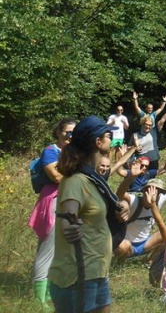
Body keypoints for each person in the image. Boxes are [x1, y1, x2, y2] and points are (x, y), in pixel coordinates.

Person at [48, 116, 130, 313]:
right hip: (78, 276)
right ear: (97, 142)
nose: (111, 138)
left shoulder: (93, 179)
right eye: (108, 135)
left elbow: (94, 211)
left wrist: (120, 206)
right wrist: (70, 228)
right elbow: (68, 218)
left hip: (97, 271)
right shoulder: (75, 181)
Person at [29, 118, 75, 308]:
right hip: (53, 202)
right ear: (58, 132)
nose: (70, 137)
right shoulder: (50, 151)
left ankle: (48, 291)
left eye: (74, 133)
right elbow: (55, 176)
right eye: (67, 132)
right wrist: (76, 175)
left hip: (67, 201)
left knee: (58, 250)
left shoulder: (72, 152)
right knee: (47, 249)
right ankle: (39, 298)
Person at [132, 94, 166, 171]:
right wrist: (135, 99)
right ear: (142, 123)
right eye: (146, 124)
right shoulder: (136, 134)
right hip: (141, 161)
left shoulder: (154, 127)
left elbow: (162, 119)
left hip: (153, 160)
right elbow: (137, 107)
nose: (148, 126)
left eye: (150, 124)